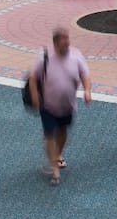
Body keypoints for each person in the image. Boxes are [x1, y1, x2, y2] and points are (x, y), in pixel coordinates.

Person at [26, 29, 93, 183]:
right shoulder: (44, 56)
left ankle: (57, 154)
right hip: (47, 104)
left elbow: (85, 74)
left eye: (68, 42)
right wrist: (35, 97)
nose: (67, 45)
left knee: (62, 131)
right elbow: (33, 77)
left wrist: (87, 91)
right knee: (49, 134)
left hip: (67, 105)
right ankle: (55, 169)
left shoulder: (76, 55)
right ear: (55, 44)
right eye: (63, 43)